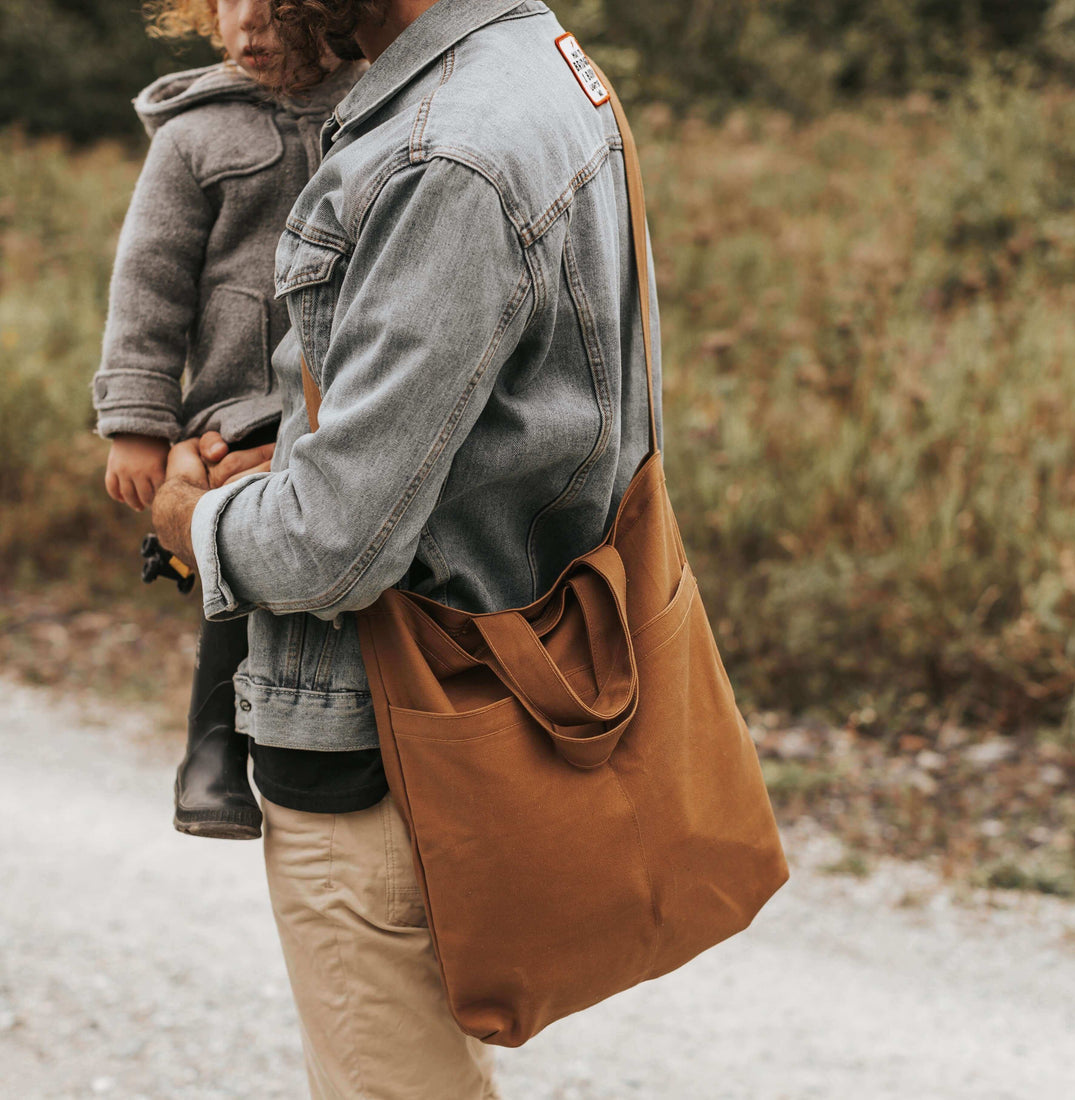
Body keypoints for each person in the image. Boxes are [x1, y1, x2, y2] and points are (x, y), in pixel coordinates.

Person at [152, 0, 662, 1094]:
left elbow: (333, 546)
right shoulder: (536, 60)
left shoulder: (444, 149)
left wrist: (190, 520)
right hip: (477, 696)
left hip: (374, 731)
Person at [93, 0, 361, 839]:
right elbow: (150, 283)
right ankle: (213, 742)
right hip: (237, 405)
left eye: (274, 6)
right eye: (228, 5)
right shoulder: (193, 135)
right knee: (236, 534)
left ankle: (346, 734)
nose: (249, 26)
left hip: (353, 392)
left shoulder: (380, 108)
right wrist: (137, 420)